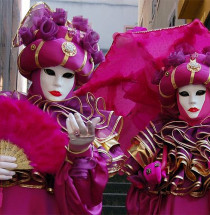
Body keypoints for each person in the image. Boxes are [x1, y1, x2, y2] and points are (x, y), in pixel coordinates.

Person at [0, 2, 125, 215]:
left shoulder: (82, 122)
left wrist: (80, 153)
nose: (59, 83)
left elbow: (86, 200)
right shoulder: (10, 111)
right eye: (50, 72)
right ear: (36, 72)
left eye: (67, 76)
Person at [76, 20, 210, 214]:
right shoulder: (159, 135)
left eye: (199, 94)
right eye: (184, 94)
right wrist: (150, 181)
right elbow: (137, 195)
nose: (192, 102)